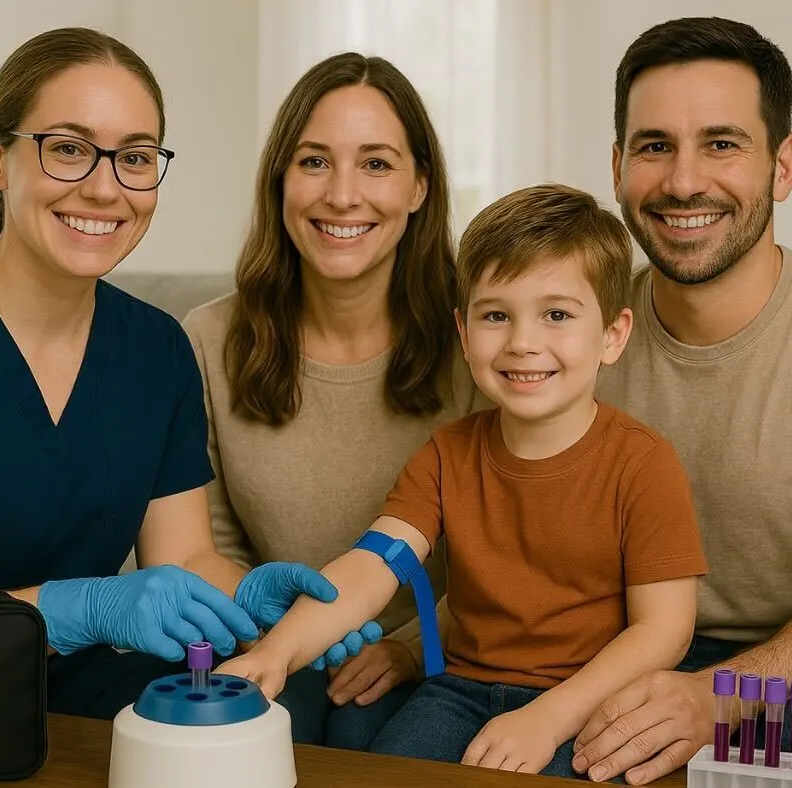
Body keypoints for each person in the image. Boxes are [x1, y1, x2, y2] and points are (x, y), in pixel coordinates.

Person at [0, 27, 358, 720]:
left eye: (135, 158)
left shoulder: (156, 349)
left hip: (74, 690)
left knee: (278, 704)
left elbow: (187, 556)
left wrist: (262, 603)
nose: (105, 189)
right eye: (69, 150)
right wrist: (64, 608)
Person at [216, 183, 709, 776]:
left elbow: (666, 631)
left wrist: (550, 718)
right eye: (496, 315)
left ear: (612, 334)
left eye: (556, 315)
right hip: (459, 690)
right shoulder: (447, 454)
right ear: (463, 331)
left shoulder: (643, 463)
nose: (523, 343)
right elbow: (374, 565)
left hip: (586, 704)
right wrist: (276, 652)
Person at [182, 52, 482, 748]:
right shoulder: (207, 339)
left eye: (376, 163)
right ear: (279, 179)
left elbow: (514, 550)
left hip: (445, 656)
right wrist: (289, 642)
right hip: (273, 644)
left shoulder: (481, 337)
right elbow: (211, 548)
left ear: (419, 188)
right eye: (314, 161)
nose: (342, 195)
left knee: (357, 729)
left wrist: (411, 646)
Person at [572, 17, 792, 785]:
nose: (684, 182)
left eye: (722, 144)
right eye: (655, 146)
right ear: (619, 166)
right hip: (611, 656)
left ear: (782, 166)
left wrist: (720, 699)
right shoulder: (568, 338)